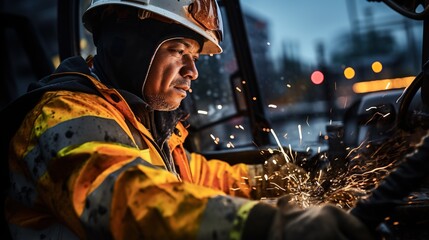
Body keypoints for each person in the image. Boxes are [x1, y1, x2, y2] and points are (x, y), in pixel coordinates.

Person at [1, 0, 375, 239]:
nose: (192, 71)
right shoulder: (63, 114)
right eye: (178, 50)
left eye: (195, 55)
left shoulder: (144, 126)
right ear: (125, 44)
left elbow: (201, 179)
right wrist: (270, 226)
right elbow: (129, 201)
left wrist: (297, 172)